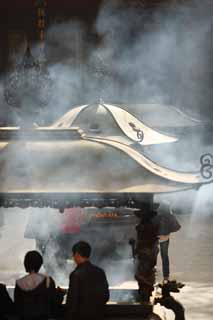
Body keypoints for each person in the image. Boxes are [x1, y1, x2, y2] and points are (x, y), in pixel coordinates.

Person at [65, 241, 109, 320]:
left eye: (73, 254)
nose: (73, 257)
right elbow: (106, 296)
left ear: (77, 254)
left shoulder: (75, 275)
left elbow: (72, 302)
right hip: (98, 315)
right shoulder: (100, 272)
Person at [14, 250, 64, 320]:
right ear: (40, 264)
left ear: (26, 264)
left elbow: (17, 307)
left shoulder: (19, 283)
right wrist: (60, 294)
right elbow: (54, 304)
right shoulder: (48, 281)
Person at [155, 202, 181, 282]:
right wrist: (169, 230)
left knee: (152, 255)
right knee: (165, 257)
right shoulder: (170, 216)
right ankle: (166, 276)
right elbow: (177, 227)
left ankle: (152, 271)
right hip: (165, 238)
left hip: (154, 238)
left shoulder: (155, 215)